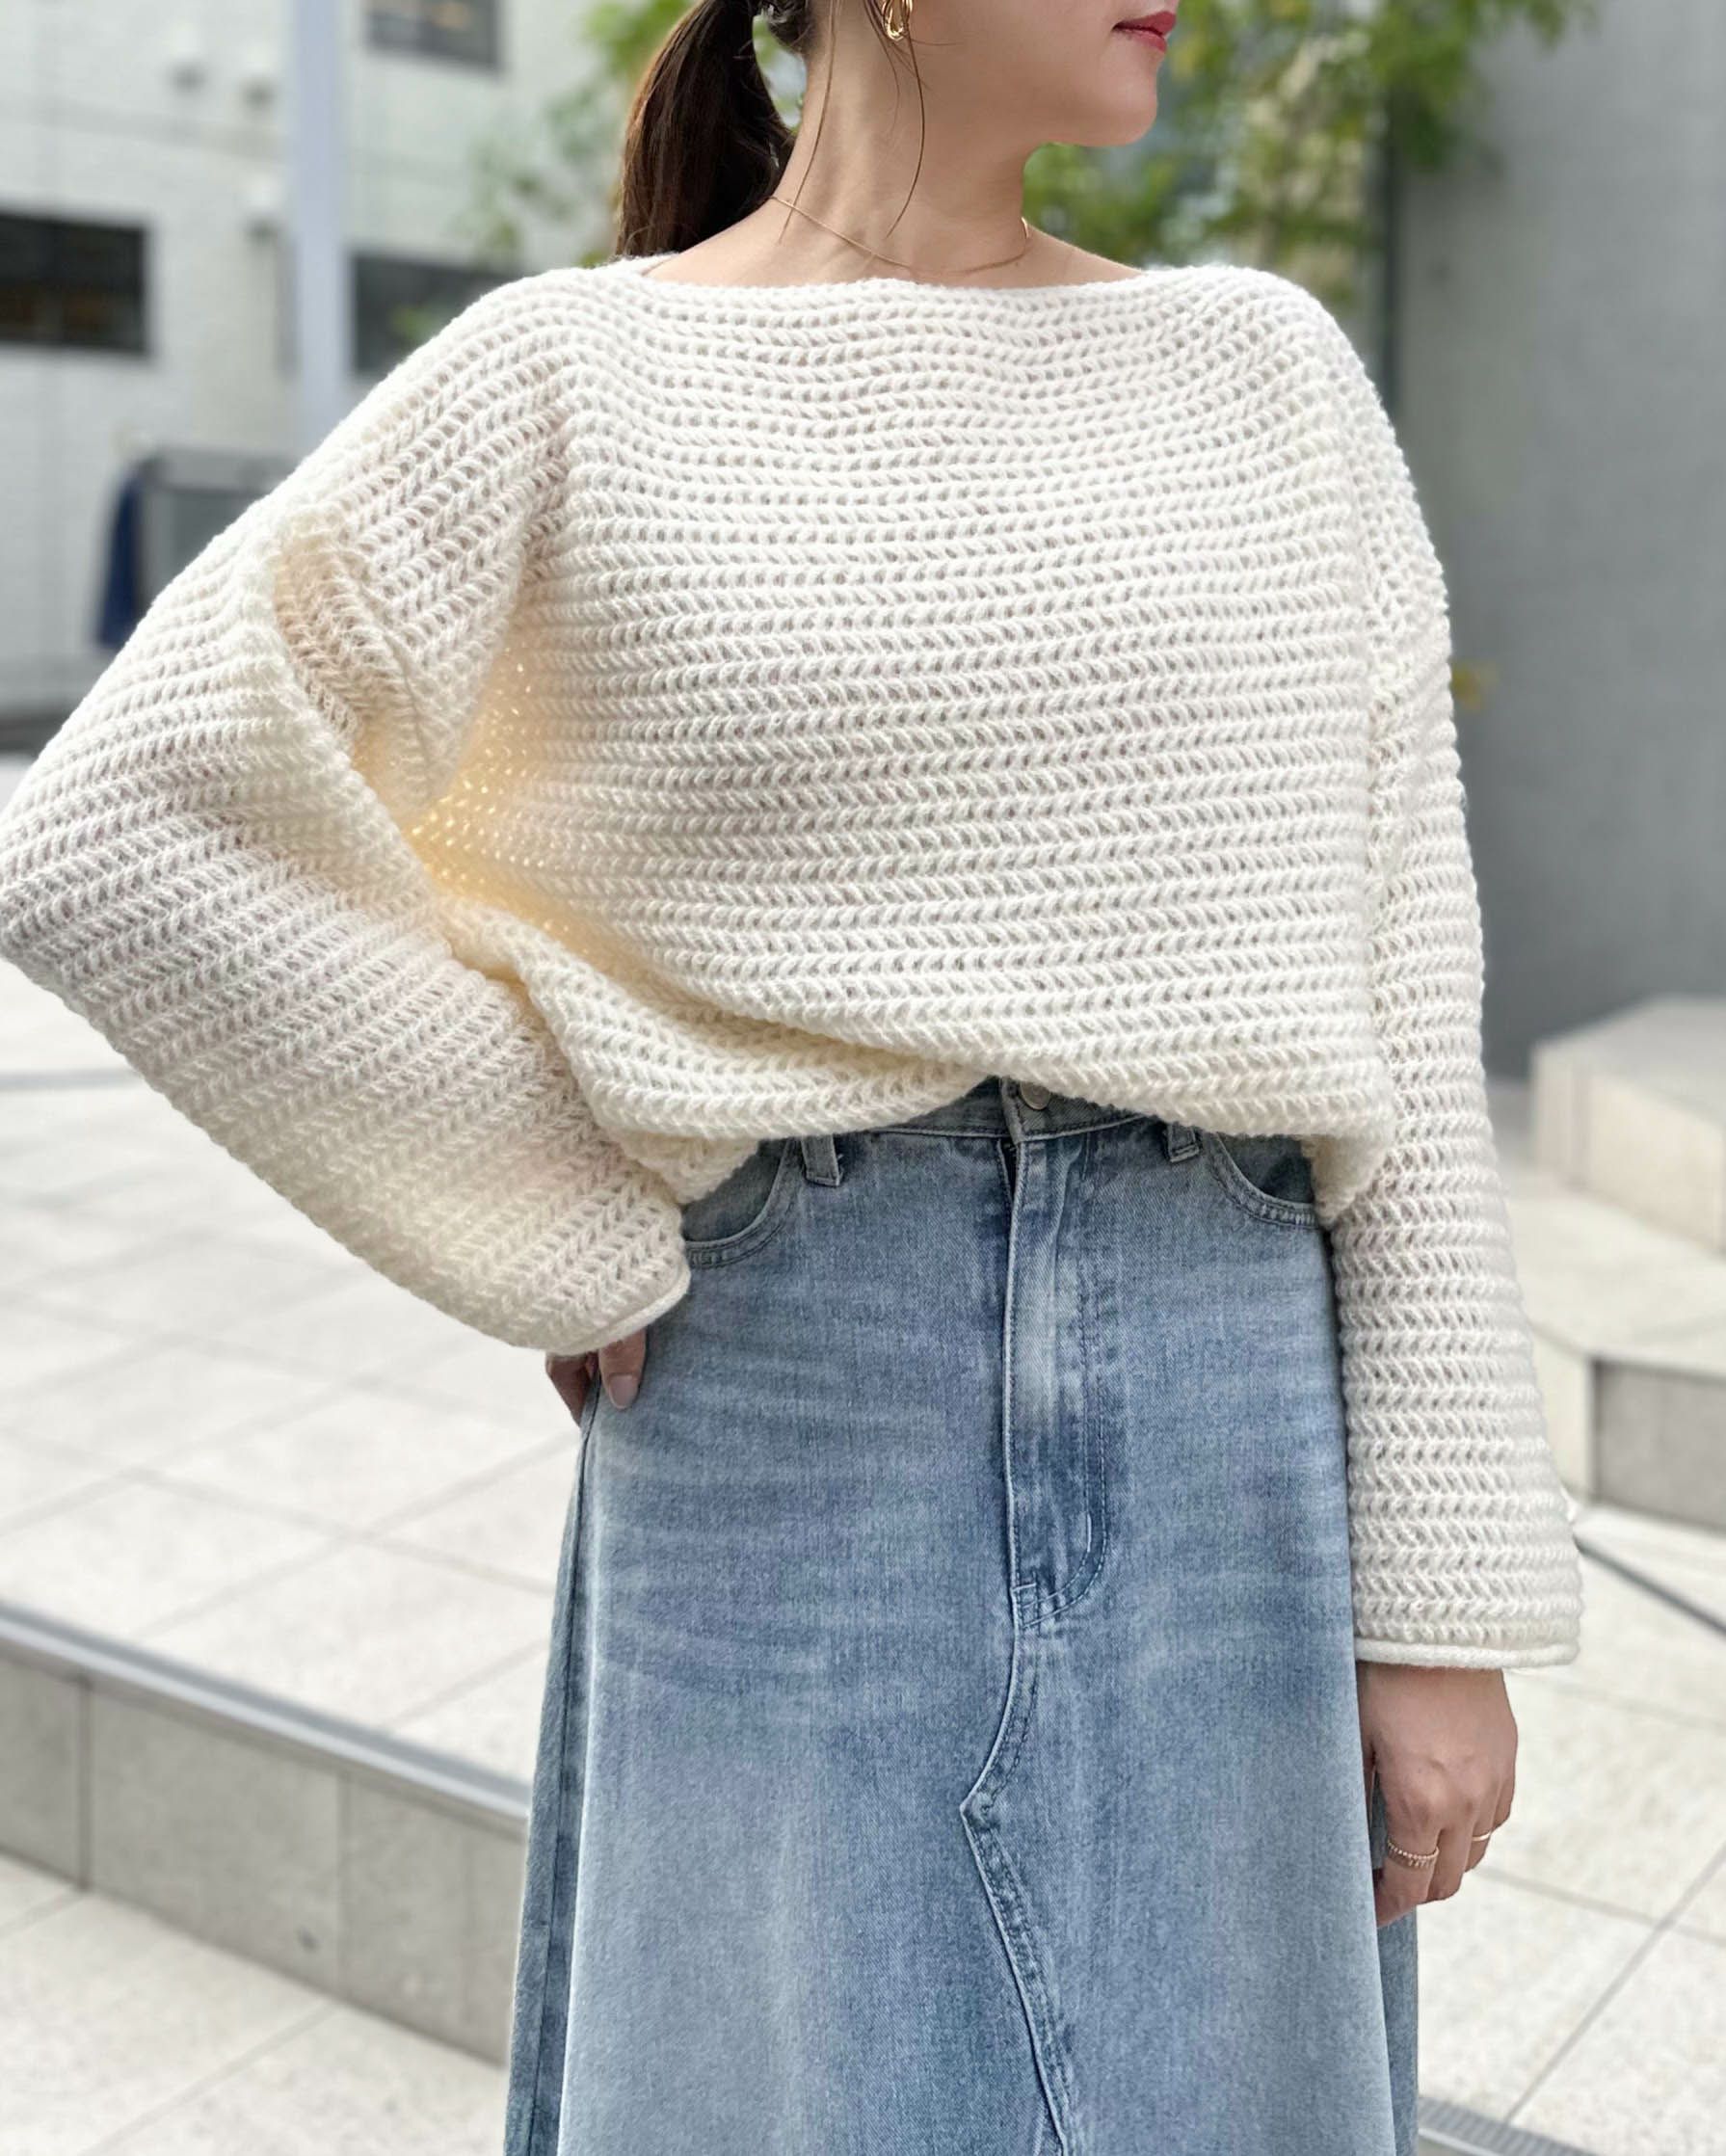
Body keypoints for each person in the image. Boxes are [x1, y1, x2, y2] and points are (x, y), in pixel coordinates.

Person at [0, 0, 1584, 2150]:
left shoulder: (1265, 378)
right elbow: (128, 829)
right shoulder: (568, 379)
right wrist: (550, 1200)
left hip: (1237, 1429)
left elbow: (1405, 986)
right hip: (793, 1422)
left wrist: (1442, 1611)